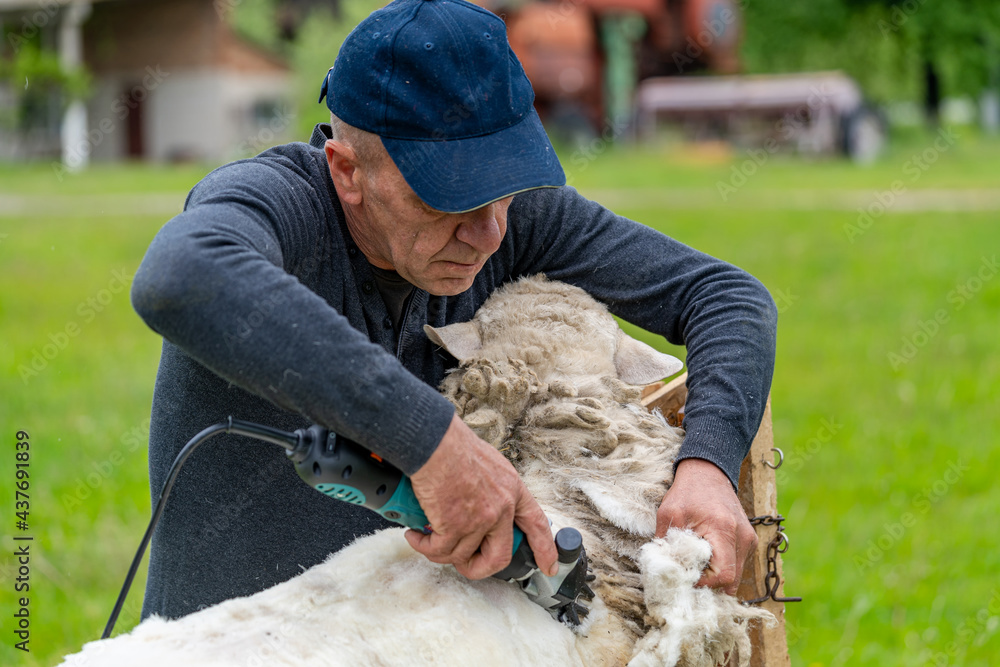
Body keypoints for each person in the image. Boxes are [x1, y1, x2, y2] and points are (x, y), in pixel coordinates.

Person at [132, 0, 776, 621]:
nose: (491, 232)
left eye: (504, 186)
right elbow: (181, 276)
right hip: (226, 643)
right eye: (448, 198)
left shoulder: (507, 219)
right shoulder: (279, 204)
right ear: (348, 172)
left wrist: (708, 465)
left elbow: (727, 296)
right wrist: (431, 442)